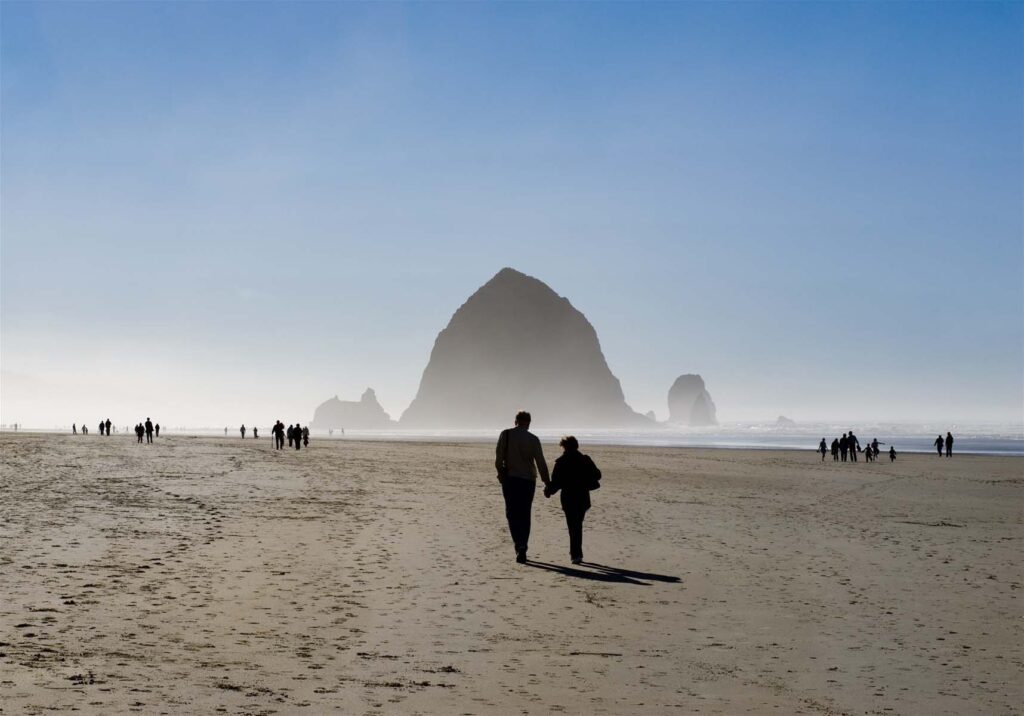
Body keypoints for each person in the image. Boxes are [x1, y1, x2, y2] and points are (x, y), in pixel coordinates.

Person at [495, 411, 550, 563]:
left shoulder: (505, 434)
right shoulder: (533, 439)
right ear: (529, 422)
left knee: (511, 513)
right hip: (528, 481)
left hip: (510, 480)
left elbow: (499, 458)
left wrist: (500, 474)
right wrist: (547, 482)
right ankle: (523, 545)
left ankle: (518, 545)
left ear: (515, 421)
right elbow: (540, 462)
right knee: (525, 514)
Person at [544, 436, 601, 564]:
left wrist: (548, 491)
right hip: (582, 497)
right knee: (577, 524)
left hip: (568, 498)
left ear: (564, 447)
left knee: (573, 526)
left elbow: (556, 482)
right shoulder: (585, 459)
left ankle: (576, 554)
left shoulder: (561, 462)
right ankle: (576, 553)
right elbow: (598, 475)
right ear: (576, 446)